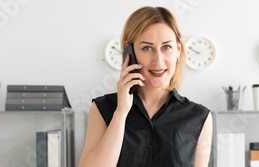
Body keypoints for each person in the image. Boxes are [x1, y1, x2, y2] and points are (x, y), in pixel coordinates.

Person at [79, 6, 213, 167]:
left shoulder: (199, 117)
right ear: (130, 53)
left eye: (166, 47)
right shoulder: (102, 109)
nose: (158, 60)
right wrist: (121, 113)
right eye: (147, 48)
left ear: (178, 50)